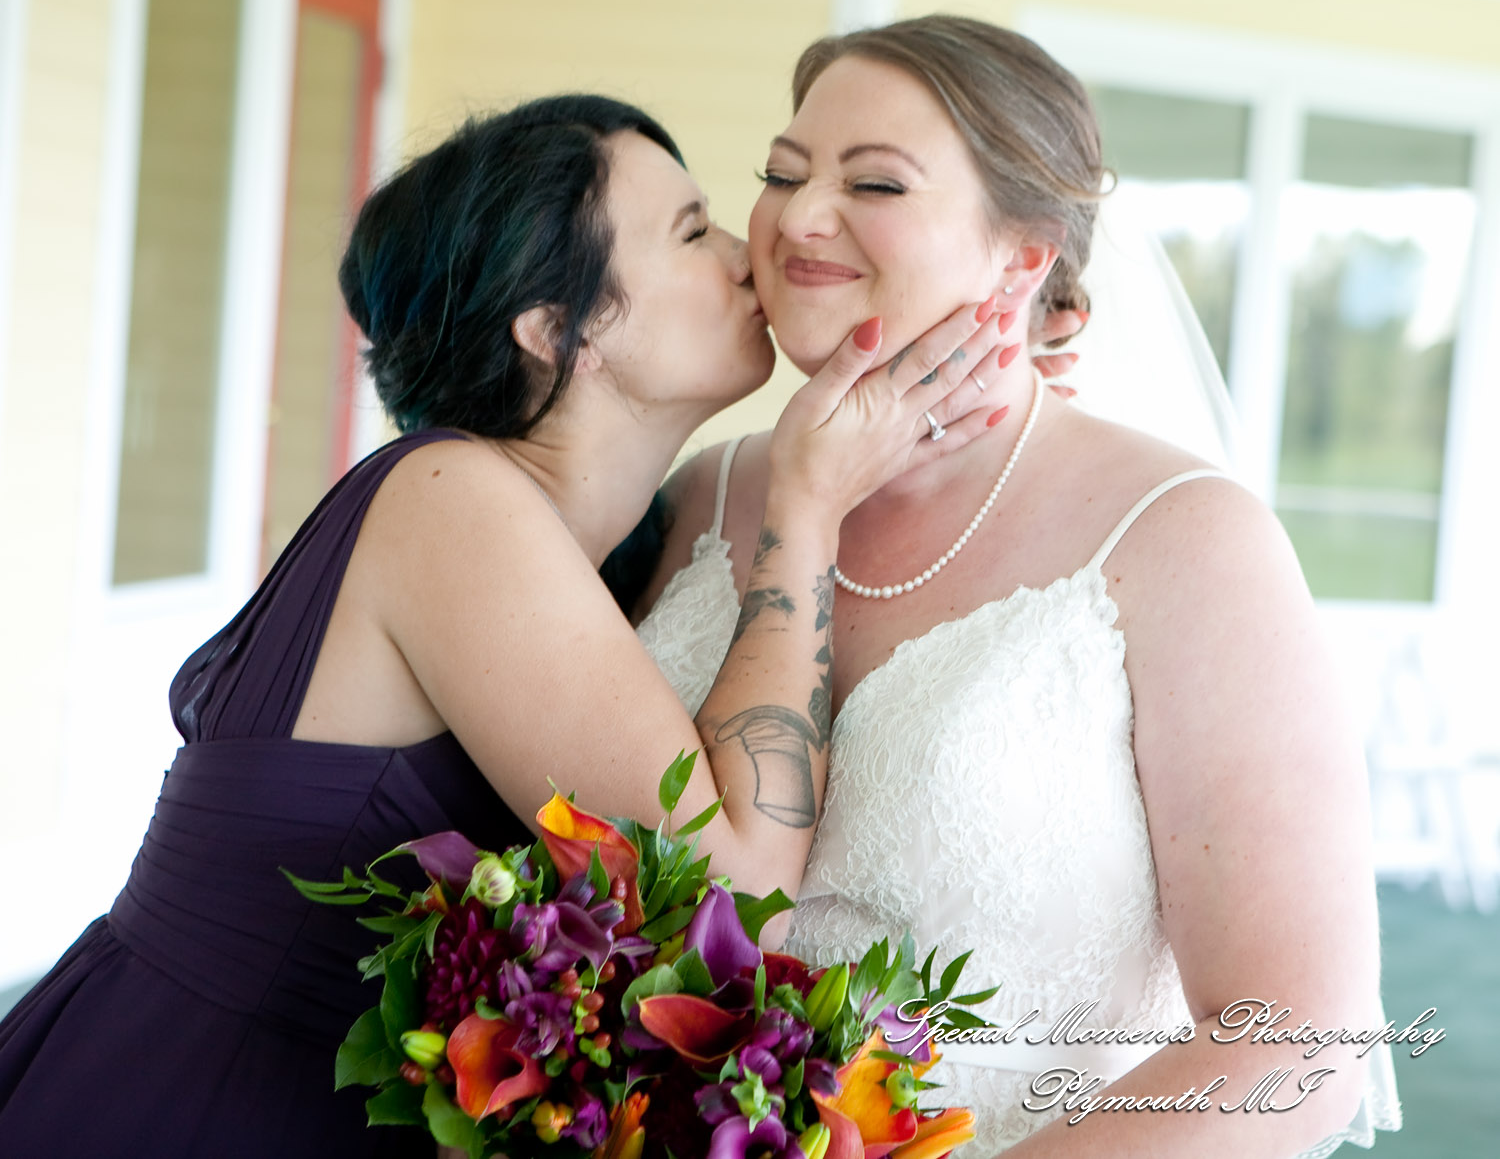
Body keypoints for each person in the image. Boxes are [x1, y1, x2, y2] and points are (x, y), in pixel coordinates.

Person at [0, 94, 1015, 1155]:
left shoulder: (612, 543)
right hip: (185, 1100)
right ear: (554, 328)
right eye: (689, 229)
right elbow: (735, 895)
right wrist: (806, 509)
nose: (743, 254)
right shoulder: (450, 500)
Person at [633, 17, 1400, 1157]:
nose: (796, 216)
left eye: (874, 181)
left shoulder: (1188, 539)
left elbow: (1294, 1041)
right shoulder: (702, 495)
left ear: (1025, 253)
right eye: (780, 174)